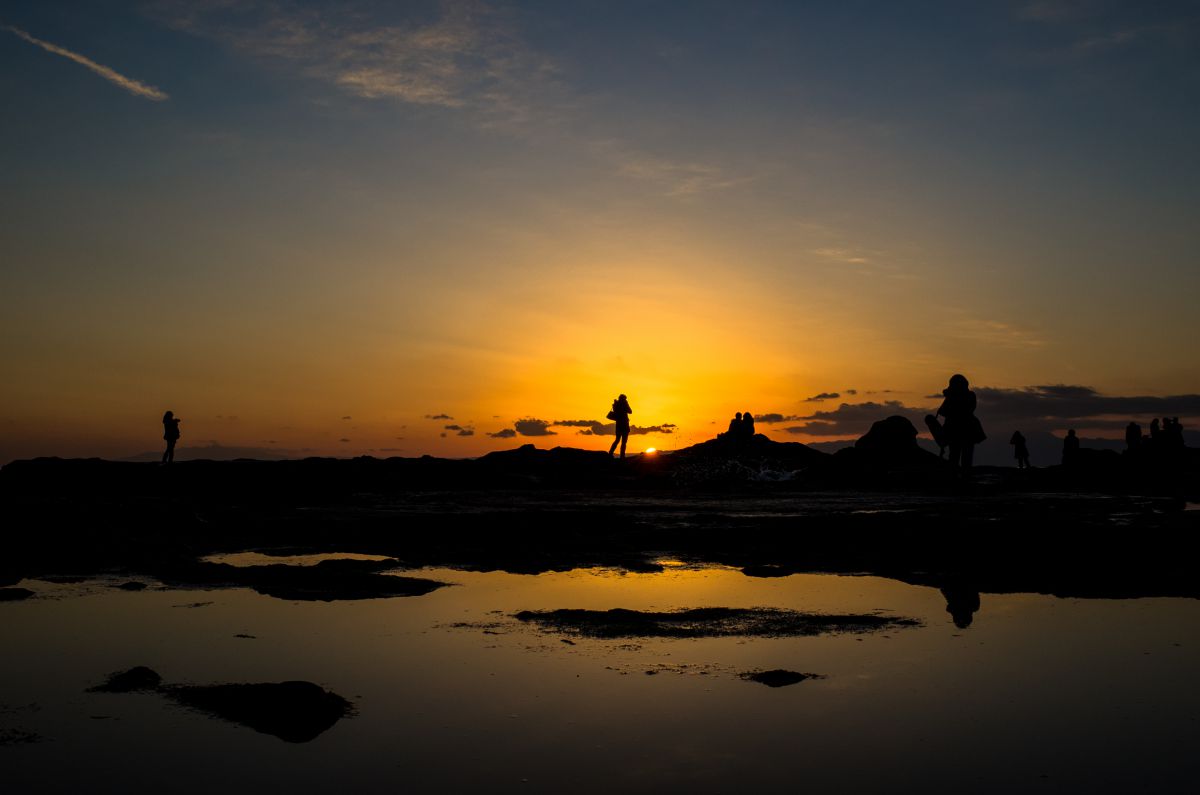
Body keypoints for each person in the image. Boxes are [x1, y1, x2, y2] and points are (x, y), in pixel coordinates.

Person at [936, 374, 984, 475]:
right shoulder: (970, 395)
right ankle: (962, 477)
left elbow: (943, 412)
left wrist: (950, 397)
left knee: (955, 455)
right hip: (967, 429)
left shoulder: (955, 396)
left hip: (956, 429)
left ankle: (956, 477)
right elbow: (944, 411)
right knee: (963, 456)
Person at [608, 394, 632, 459]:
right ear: (624, 399)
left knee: (617, 440)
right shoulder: (624, 404)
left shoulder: (616, 404)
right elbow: (630, 411)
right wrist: (626, 404)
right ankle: (622, 456)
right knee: (624, 442)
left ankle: (610, 453)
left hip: (618, 425)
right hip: (624, 424)